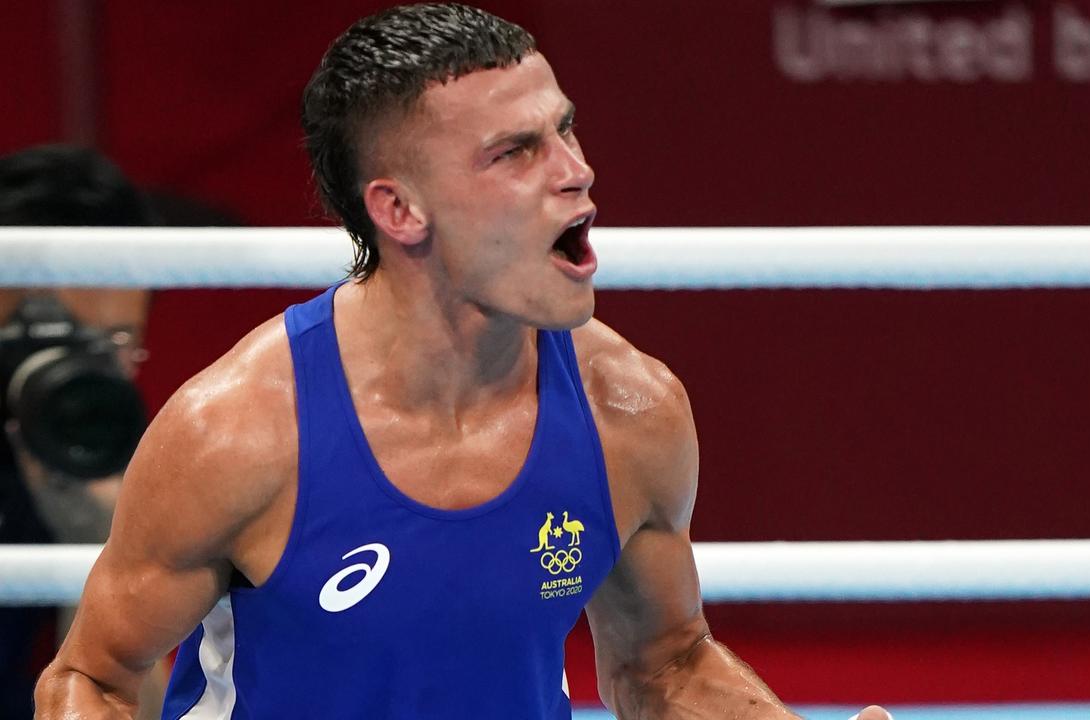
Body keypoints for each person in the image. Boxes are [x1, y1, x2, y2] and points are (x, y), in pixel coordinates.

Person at [35, 5, 890, 718]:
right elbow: (95, 679)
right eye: (515, 151)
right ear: (400, 209)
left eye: (565, 130)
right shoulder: (240, 434)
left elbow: (666, 665)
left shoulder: (628, 410)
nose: (578, 172)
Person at [0, 145, 165, 718]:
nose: (74, 375)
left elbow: (146, 710)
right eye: (54, 335)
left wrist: (99, 553)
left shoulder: (107, 432)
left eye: (115, 344)